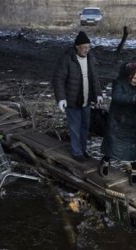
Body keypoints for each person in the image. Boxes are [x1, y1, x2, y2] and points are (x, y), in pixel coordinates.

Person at [99, 62, 136, 185]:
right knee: (113, 144)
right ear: (128, 76)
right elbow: (118, 96)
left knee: (135, 147)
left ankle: (134, 170)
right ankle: (105, 161)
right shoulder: (119, 83)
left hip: (135, 121)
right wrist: (135, 98)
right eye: (134, 78)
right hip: (118, 120)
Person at [52, 31, 103, 162]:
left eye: (89, 47)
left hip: (86, 100)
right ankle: (76, 152)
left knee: (85, 127)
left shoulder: (91, 58)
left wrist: (98, 94)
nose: (87, 50)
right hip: (72, 100)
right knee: (75, 128)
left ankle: (83, 150)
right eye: (84, 47)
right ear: (77, 47)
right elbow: (58, 79)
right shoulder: (67, 59)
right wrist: (61, 98)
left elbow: (95, 78)